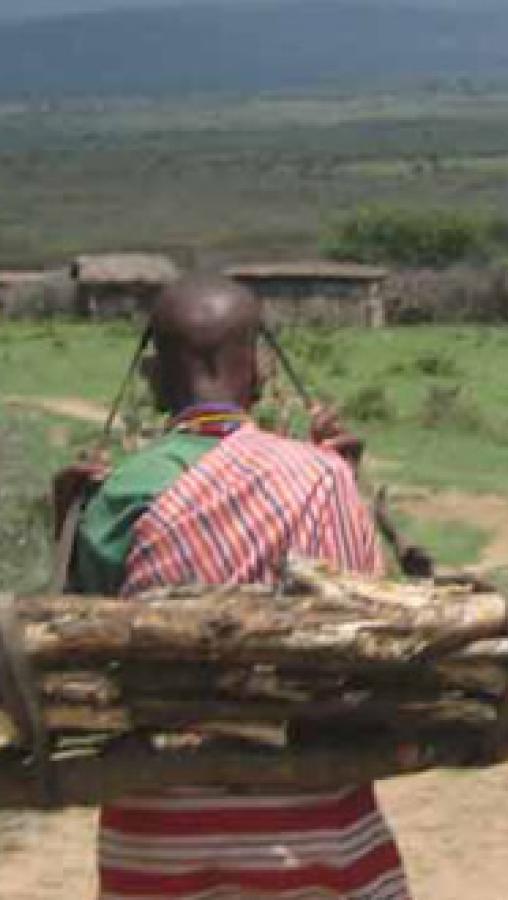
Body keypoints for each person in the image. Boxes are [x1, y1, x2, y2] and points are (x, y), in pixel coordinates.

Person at [53, 277, 409, 899]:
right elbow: (376, 630)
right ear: (263, 370)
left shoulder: (121, 492)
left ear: (152, 375)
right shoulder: (322, 479)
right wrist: (344, 475)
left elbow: (80, 640)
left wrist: (67, 519)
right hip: (317, 824)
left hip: (159, 834)